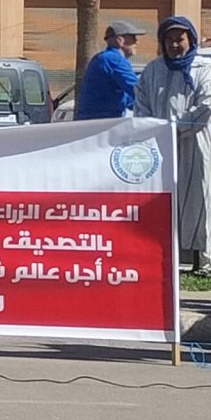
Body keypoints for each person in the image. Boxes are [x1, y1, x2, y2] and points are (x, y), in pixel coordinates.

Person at [135, 17, 211, 272]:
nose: (174, 45)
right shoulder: (153, 69)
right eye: (169, 39)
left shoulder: (203, 68)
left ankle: (202, 259)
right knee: (163, 198)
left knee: (198, 198)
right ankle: (166, 254)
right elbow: (141, 103)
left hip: (194, 143)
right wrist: (152, 129)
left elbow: (206, 105)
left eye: (180, 39)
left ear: (191, 40)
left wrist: (176, 128)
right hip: (159, 145)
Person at [75, 23, 142, 122]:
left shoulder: (103, 58)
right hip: (101, 123)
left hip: (95, 121)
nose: (137, 42)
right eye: (133, 38)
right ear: (120, 40)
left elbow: (128, 98)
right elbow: (136, 90)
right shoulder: (113, 60)